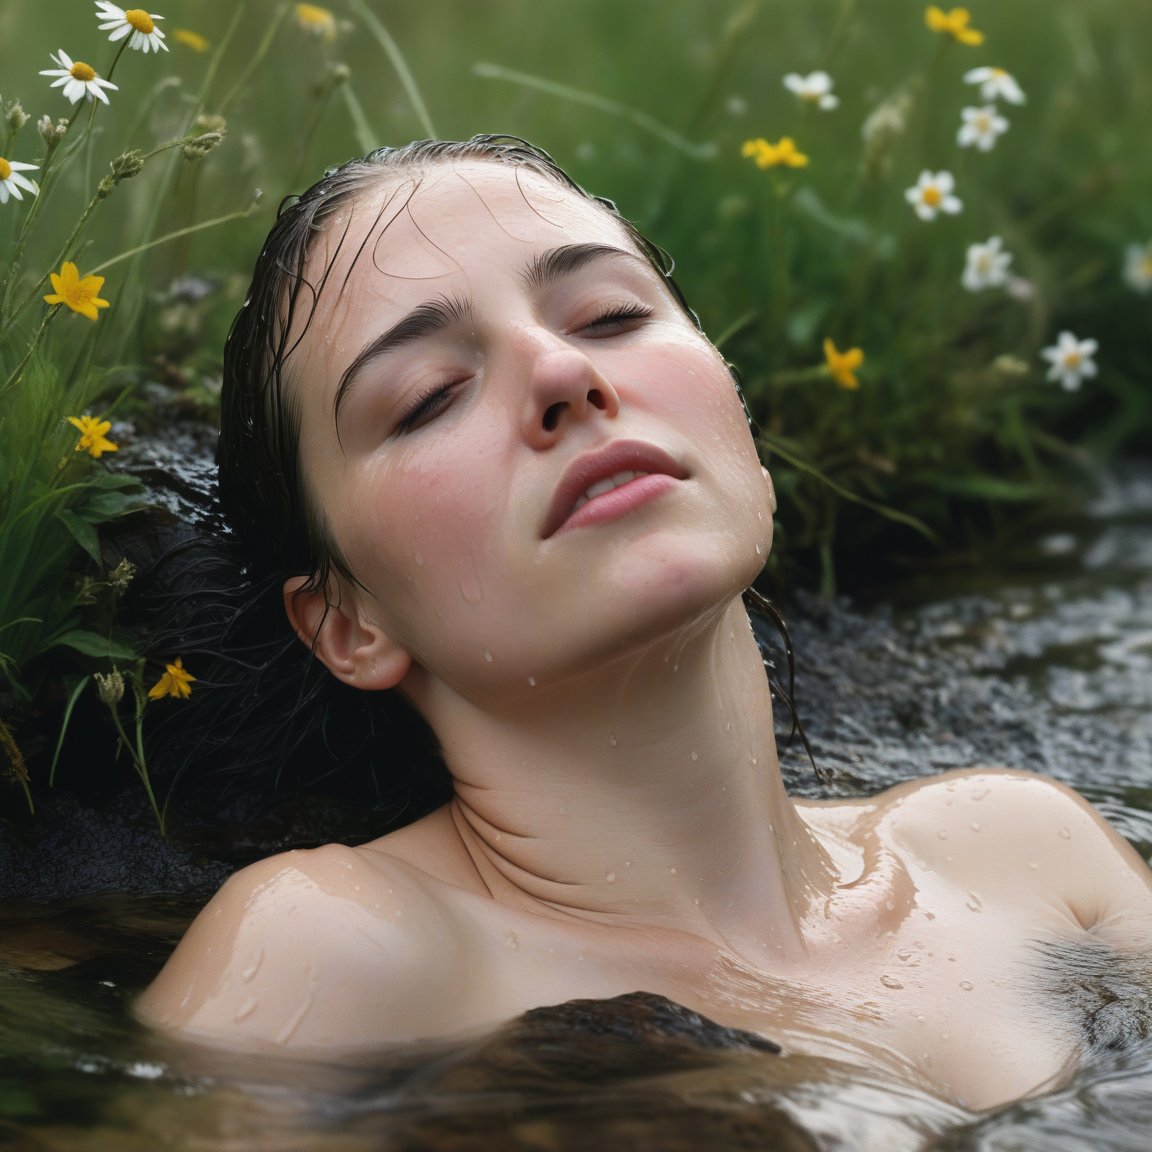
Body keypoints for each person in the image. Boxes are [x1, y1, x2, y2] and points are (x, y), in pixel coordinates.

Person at [136, 136, 1152, 1111]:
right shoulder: (331, 949)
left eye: (612, 316)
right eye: (431, 396)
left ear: (740, 427)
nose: (563, 376)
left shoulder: (1023, 853)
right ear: (348, 622)